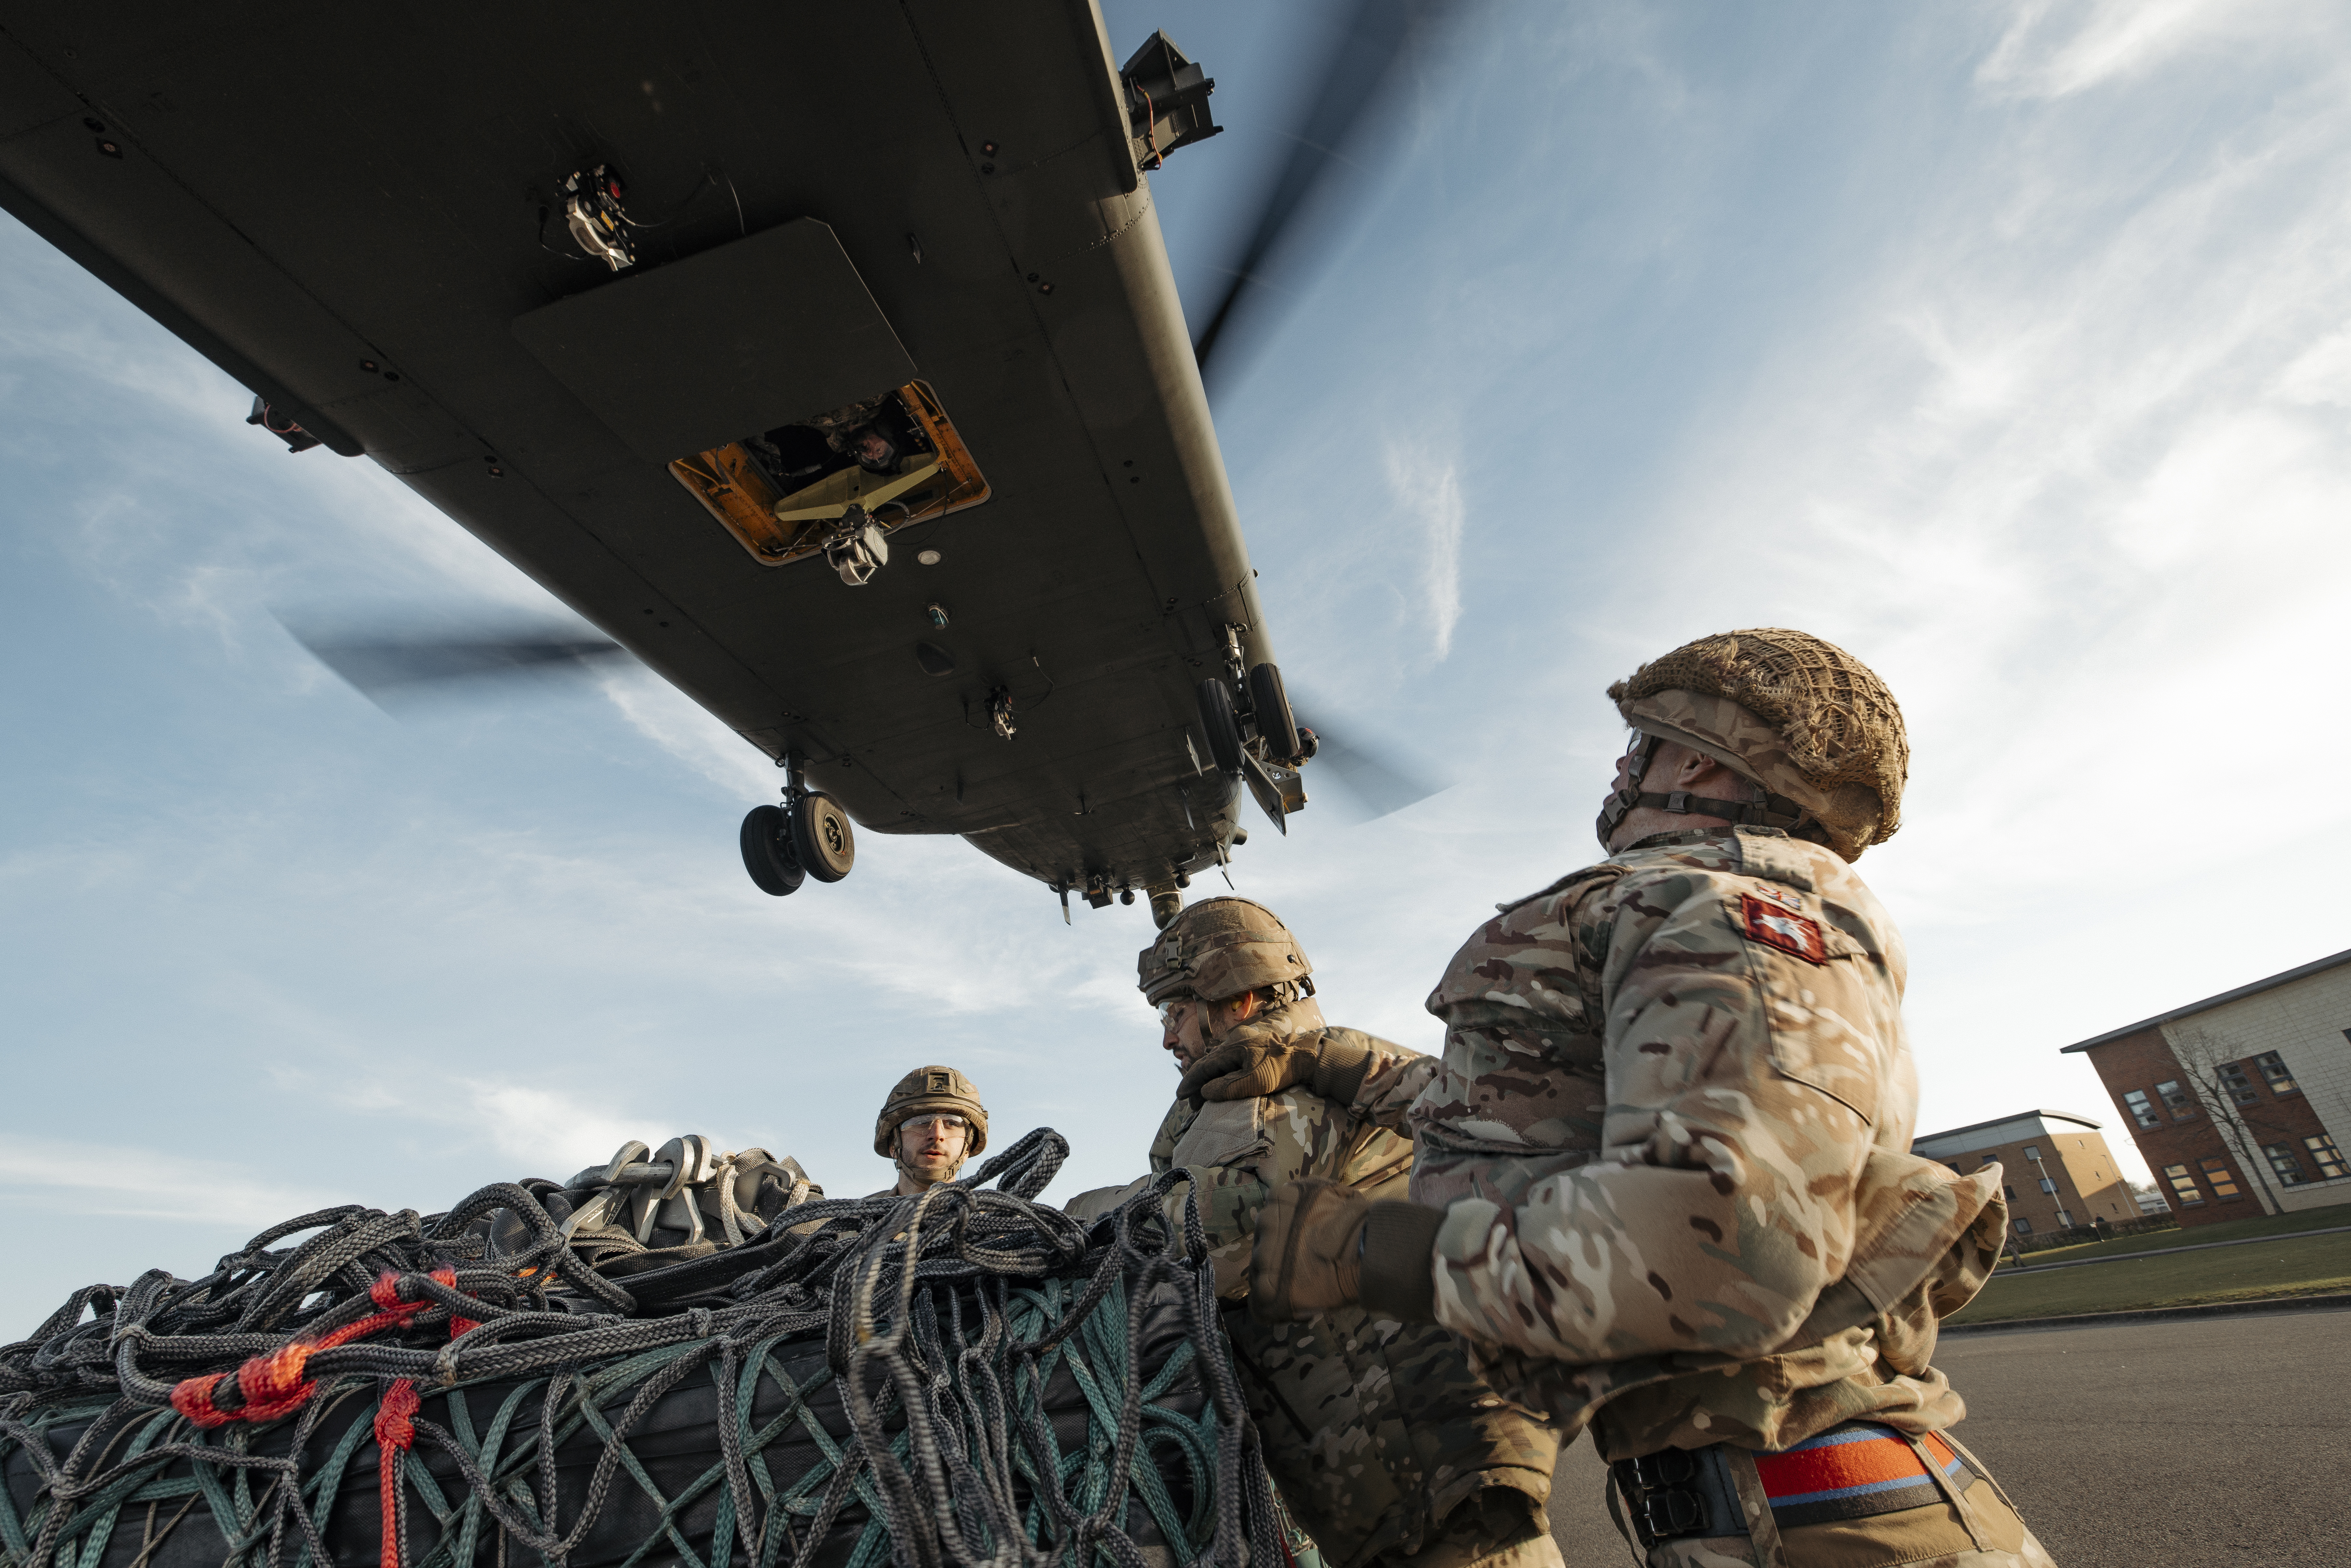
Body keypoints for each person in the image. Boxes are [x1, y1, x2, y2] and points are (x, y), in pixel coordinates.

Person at [1207, 630, 2055, 1567]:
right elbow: (1534, 1117)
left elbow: (1727, 1248)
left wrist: (1371, 1250)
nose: (1621, 764)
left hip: (1830, 1517)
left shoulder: (1719, 911)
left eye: (1639, 739)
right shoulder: (1702, 911)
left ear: (1697, 754)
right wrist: (1328, 1057)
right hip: (1766, 1508)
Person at [1077, 898, 1562, 1568]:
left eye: (1176, 1012)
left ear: (1234, 1001)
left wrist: (1070, 1221)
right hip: (1413, 1471)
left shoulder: (1266, 1091)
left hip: (1420, 1476)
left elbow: (1226, 1234)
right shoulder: (1315, 1069)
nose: (1167, 1036)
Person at [871, 1065, 987, 1197]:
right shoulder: (854, 1216)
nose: (937, 1135)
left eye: (952, 1123)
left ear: (968, 1148)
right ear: (893, 1145)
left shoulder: (997, 1216)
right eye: (921, 1122)